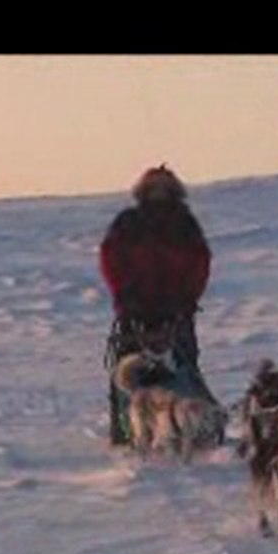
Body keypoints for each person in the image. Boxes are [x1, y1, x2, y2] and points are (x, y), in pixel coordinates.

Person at [99, 163, 215, 445]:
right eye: (154, 187)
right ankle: (126, 432)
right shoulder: (129, 222)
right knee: (126, 373)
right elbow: (111, 258)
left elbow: (199, 262)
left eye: (164, 187)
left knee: (183, 369)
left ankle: (192, 428)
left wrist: (187, 298)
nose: (159, 193)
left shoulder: (184, 223)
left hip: (176, 309)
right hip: (133, 309)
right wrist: (123, 294)